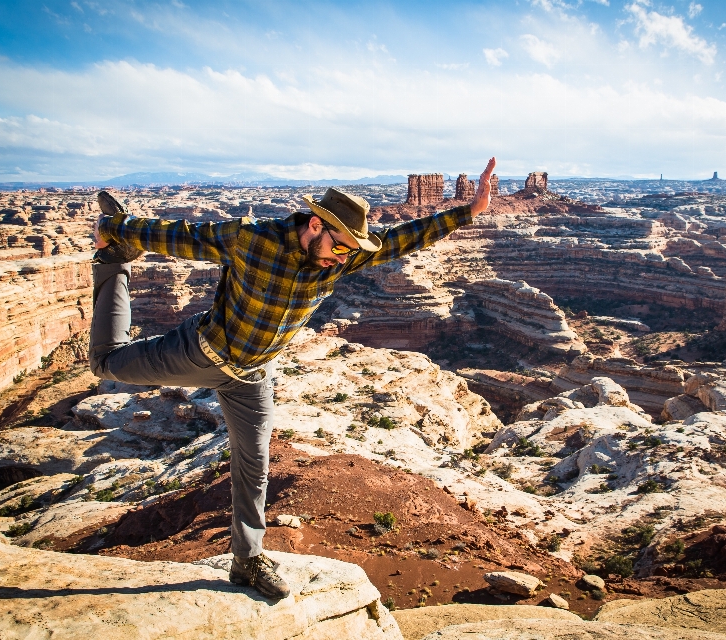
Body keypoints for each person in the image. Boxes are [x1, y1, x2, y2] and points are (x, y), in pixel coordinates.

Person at [89, 158, 496, 599]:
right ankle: (113, 265)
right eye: (340, 247)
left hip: (251, 376)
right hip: (200, 354)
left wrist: (468, 211)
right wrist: (115, 229)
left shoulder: (339, 257)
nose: (344, 257)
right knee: (106, 363)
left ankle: (247, 560)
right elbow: (180, 237)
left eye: (350, 251)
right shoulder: (252, 238)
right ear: (316, 225)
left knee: (254, 466)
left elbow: (401, 241)